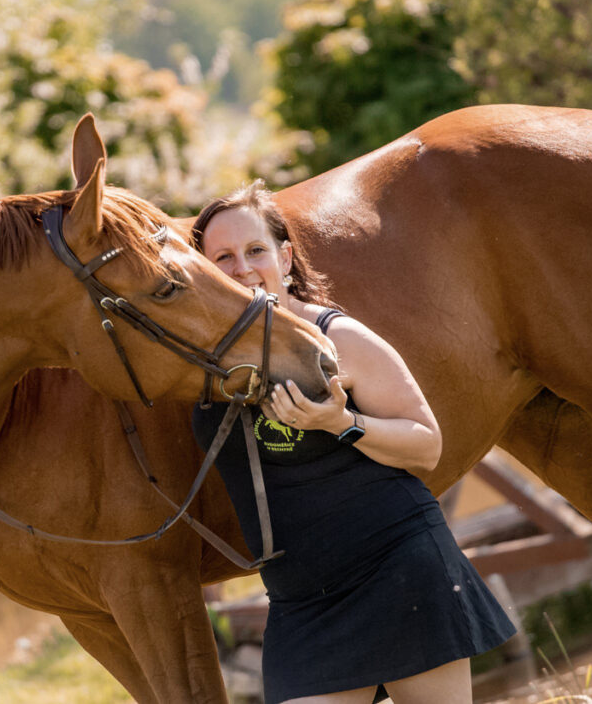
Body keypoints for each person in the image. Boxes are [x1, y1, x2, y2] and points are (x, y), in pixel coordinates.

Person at [191, 181, 515, 704]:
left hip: (397, 571)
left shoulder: (338, 339)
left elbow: (425, 445)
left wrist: (341, 422)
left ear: (286, 257)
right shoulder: (204, 362)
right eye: (222, 258)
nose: (242, 268)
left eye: (255, 251)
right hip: (300, 600)